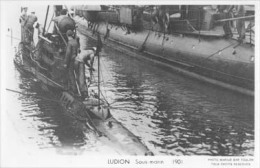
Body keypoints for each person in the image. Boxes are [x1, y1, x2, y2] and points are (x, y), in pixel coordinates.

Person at [64, 30, 79, 95]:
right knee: (76, 74)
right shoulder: (75, 42)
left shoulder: (69, 43)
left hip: (71, 60)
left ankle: (74, 90)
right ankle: (78, 89)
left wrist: (65, 63)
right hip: (76, 59)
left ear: (67, 35)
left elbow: (68, 54)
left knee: (71, 74)